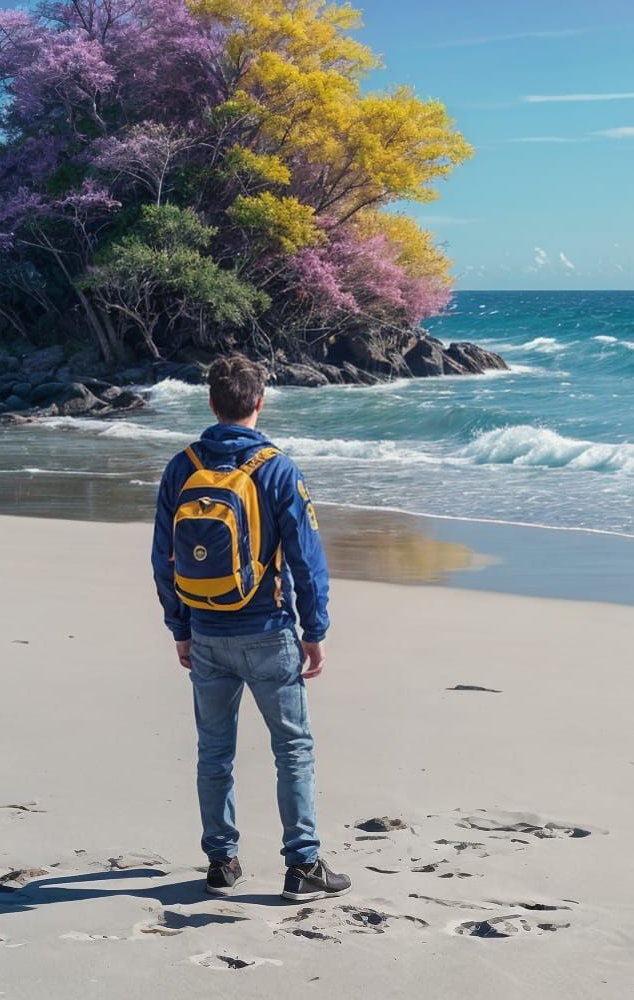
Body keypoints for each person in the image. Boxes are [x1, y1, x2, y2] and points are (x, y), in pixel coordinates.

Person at [152, 353, 351, 902]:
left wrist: (180, 627)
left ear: (212, 402)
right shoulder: (278, 469)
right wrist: (316, 630)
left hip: (208, 633)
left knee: (214, 751)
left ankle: (221, 862)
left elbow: (163, 557)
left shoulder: (182, 466)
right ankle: (303, 866)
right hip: (267, 630)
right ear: (259, 403)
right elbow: (308, 561)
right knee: (292, 749)